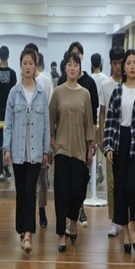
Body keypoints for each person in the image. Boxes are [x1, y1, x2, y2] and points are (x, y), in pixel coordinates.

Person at [103, 49, 135, 254]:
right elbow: (110, 120)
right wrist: (107, 146)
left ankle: (133, 227)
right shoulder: (117, 91)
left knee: (133, 187)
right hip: (119, 141)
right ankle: (124, 230)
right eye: (128, 63)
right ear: (123, 67)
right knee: (121, 188)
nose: (132, 66)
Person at [3, 48, 50, 253]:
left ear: (36, 65)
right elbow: (8, 124)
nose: (28, 66)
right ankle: (21, 228)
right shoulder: (14, 93)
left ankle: (28, 233)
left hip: (36, 152)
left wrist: (46, 151)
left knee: (31, 190)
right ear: (20, 65)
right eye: (25, 63)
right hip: (18, 152)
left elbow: (46, 124)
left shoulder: (41, 93)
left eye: (31, 63)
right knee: (21, 191)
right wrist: (6, 148)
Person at [49, 51, 95, 252]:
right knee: (61, 194)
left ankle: (73, 221)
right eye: (69, 64)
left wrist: (90, 149)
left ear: (80, 68)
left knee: (77, 191)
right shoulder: (57, 92)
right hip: (61, 150)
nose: (72, 68)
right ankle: (61, 235)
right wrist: (51, 140)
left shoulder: (85, 93)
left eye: (75, 64)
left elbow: (89, 123)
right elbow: (51, 120)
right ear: (64, 68)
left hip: (79, 150)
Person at [58, 41, 99, 227]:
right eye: (70, 61)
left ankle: (78, 210)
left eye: (78, 58)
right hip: (64, 142)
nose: (73, 65)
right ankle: (67, 220)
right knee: (65, 186)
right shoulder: (60, 84)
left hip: (82, 143)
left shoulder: (88, 85)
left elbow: (92, 116)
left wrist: (92, 142)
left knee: (80, 183)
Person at [24, 42, 53, 229]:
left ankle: (41, 209)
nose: (29, 64)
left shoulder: (46, 81)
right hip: (25, 140)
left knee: (43, 181)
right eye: (26, 60)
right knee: (28, 182)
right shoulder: (19, 85)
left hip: (40, 138)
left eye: (32, 59)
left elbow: (49, 112)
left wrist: (48, 143)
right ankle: (28, 215)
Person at [98, 46, 124, 236]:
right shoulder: (106, 85)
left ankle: (125, 217)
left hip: (129, 138)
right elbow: (102, 113)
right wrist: (102, 137)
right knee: (112, 182)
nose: (118, 67)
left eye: (121, 63)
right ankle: (114, 219)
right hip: (111, 139)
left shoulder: (133, 83)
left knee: (126, 182)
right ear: (110, 64)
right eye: (115, 63)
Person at [0, 45, 17, 181]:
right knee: (8, 140)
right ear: (8, 56)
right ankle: (6, 166)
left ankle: (0, 170)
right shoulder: (13, 74)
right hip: (10, 112)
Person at [90, 52, 109, 185]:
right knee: (101, 142)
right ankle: (100, 163)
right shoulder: (106, 79)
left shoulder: (90, 79)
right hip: (103, 116)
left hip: (93, 116)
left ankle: (94, 169)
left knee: (94, 144)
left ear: (91, 64)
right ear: (101, 63)